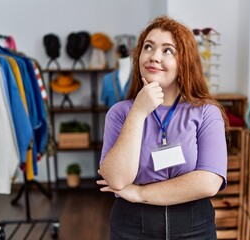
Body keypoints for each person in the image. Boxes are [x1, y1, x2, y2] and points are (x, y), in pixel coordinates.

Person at [97, 15, 228, 240]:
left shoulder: (206, 112)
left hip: (194, 225)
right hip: (132, 226)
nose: (154, 57)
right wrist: (138, 112)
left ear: (184, 62)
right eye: (148, 47)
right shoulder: (120, 113)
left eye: (167, 50)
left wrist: (139, 192)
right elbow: (116, 180)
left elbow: (208, 182)